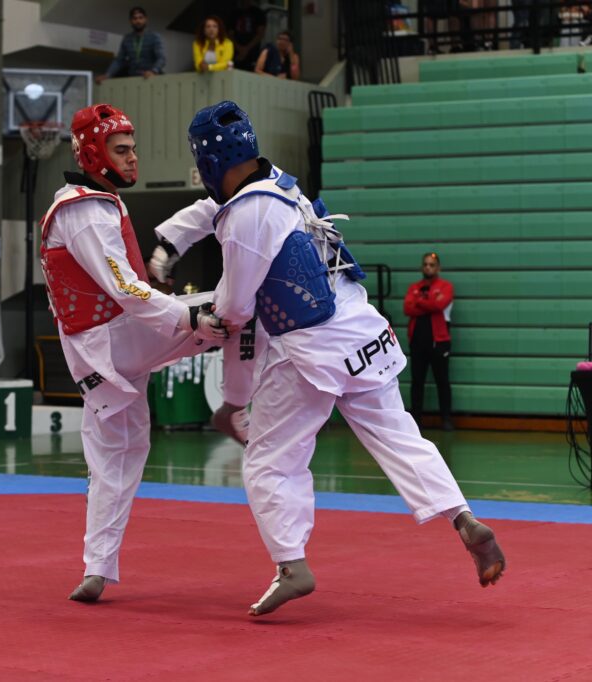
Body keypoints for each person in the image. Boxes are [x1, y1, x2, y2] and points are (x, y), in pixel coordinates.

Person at [163, 100, 504, 617]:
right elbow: (209, 214)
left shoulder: (244, 216)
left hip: (309, 350)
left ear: (209, 162)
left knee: (271, 459)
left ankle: (291, 563)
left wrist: (205, 322)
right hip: (361, 329)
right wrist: (170, 241)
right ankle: (463, 519)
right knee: (400, 436)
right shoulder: (281, 185)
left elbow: (234, 306)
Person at [41, 103, 261, 604]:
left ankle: (96, 568)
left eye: (133, 147)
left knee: (116, 458)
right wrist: (188, 320)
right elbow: (123, 288)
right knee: (239, 303)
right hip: (117, 338)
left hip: (97, 355)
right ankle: (234, 406)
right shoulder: (85, 212)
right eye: (122, 149)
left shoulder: (85, 205)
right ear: (94, 154)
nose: (133, 157)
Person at [403, 252, 455, 430]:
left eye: (432, 265)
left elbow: (438, 305)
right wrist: (428, 303)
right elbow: (408, 309)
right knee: (417, 382)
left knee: (443, 381)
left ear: (438, 267)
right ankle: (415, 420)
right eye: (425, 264)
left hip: (439, 342)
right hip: (417, 342)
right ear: (421, 267)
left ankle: (446, 418)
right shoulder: (414, 287)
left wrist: (420, 301)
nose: (428, 267)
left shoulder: (446, 286)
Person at [95, 7, 166, 84]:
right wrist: (107, 74)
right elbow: (119, 60)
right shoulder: (127, 39)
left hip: (151, 78)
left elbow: (161, 58)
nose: (138, 21)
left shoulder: (154, 37)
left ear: (146, 19)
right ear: (131, 21)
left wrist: (153, 71)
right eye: (134, 18)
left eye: (140, 18)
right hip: (133, 79)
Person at [229, 0, 268, 71]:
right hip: (236, 53)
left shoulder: (258, 13)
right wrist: (239, 48)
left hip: (252, 53)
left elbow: (260, 34)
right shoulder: (234, 13)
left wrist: (246, 49)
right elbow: (230, 34)